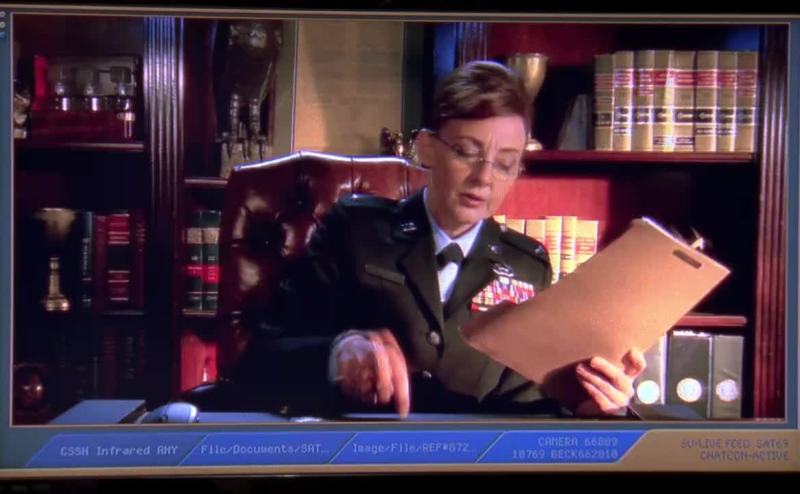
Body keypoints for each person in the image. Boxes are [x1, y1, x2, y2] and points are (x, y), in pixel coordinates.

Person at [233, 60, 645, 418]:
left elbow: (529, 409)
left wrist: (591, 407)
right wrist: (335, 356)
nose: (484, 178)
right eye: (466, 152)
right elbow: (258, 359)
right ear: (427, 149)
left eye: (505, 164)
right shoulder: (355, 230)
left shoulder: (528, 265)